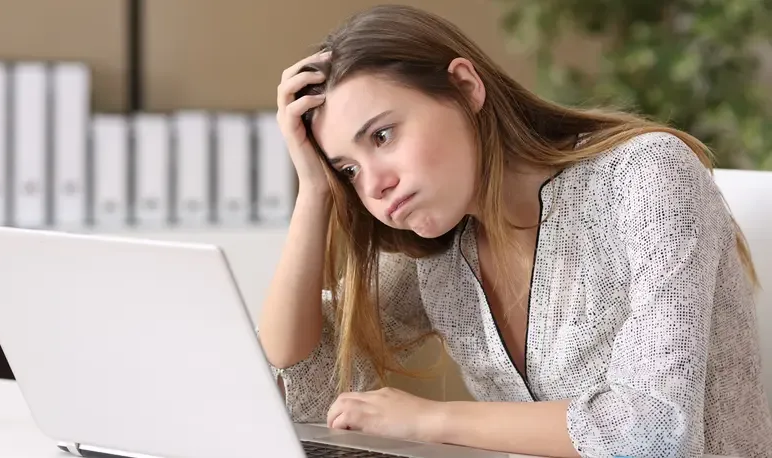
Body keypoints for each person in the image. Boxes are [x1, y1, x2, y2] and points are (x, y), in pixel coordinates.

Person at [256, 4, 772, 458]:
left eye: (383, 135)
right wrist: (314, 189)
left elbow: (657, 431)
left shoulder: (644, 177)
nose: (375, 185)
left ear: (465, 86)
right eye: (348, 169)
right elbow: (309, 378)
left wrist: (432, 421)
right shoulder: (441, 249)